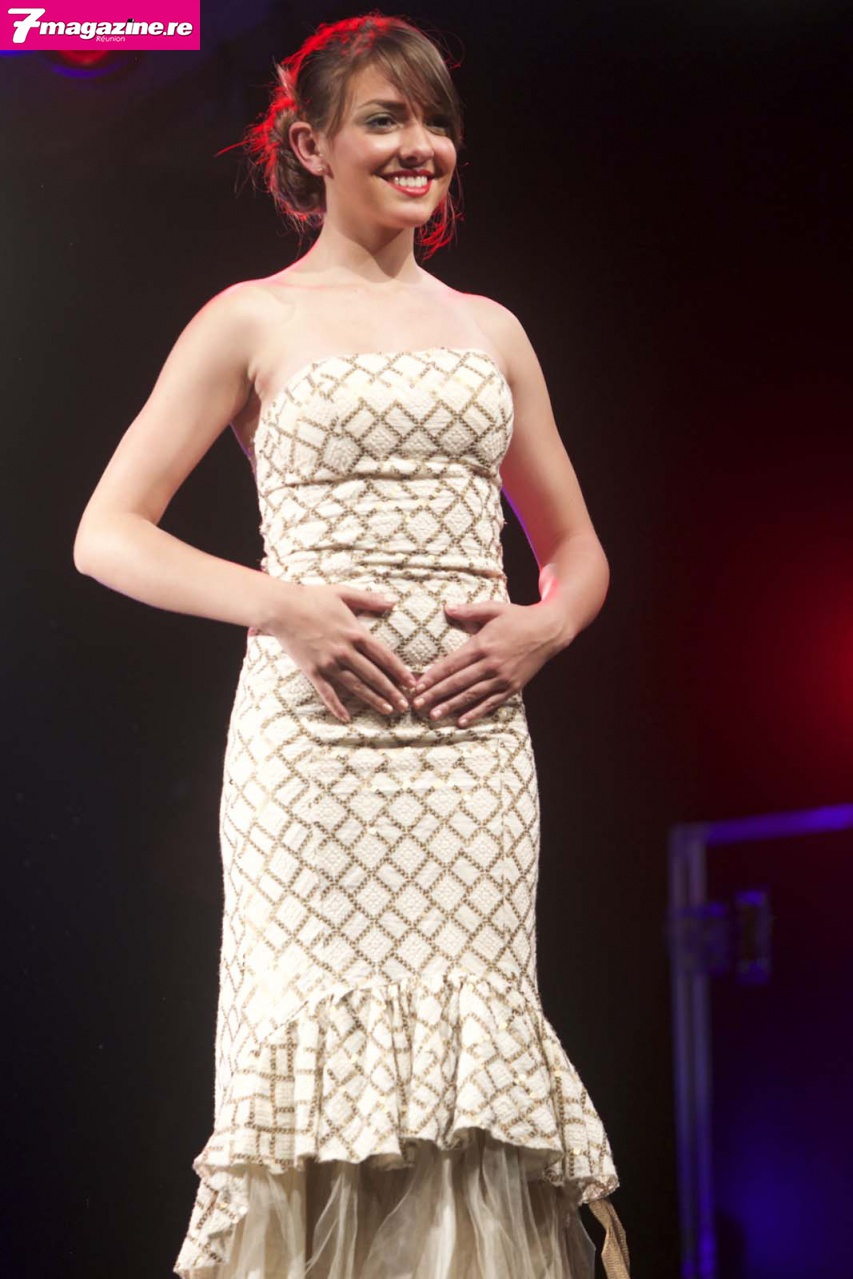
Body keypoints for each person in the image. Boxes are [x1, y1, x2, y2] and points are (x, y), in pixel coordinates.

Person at [74, 12, 632, 1279]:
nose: (419, 144)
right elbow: (108, 534)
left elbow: (577, 551)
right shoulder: (249, 320)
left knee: (468, 1087)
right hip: (314, 761)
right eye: (384, 119)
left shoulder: (490, 330)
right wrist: (281, 605)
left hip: (469, 759)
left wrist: (545, 627)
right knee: (318, 1079)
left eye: (436, 122)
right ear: (309, 145)